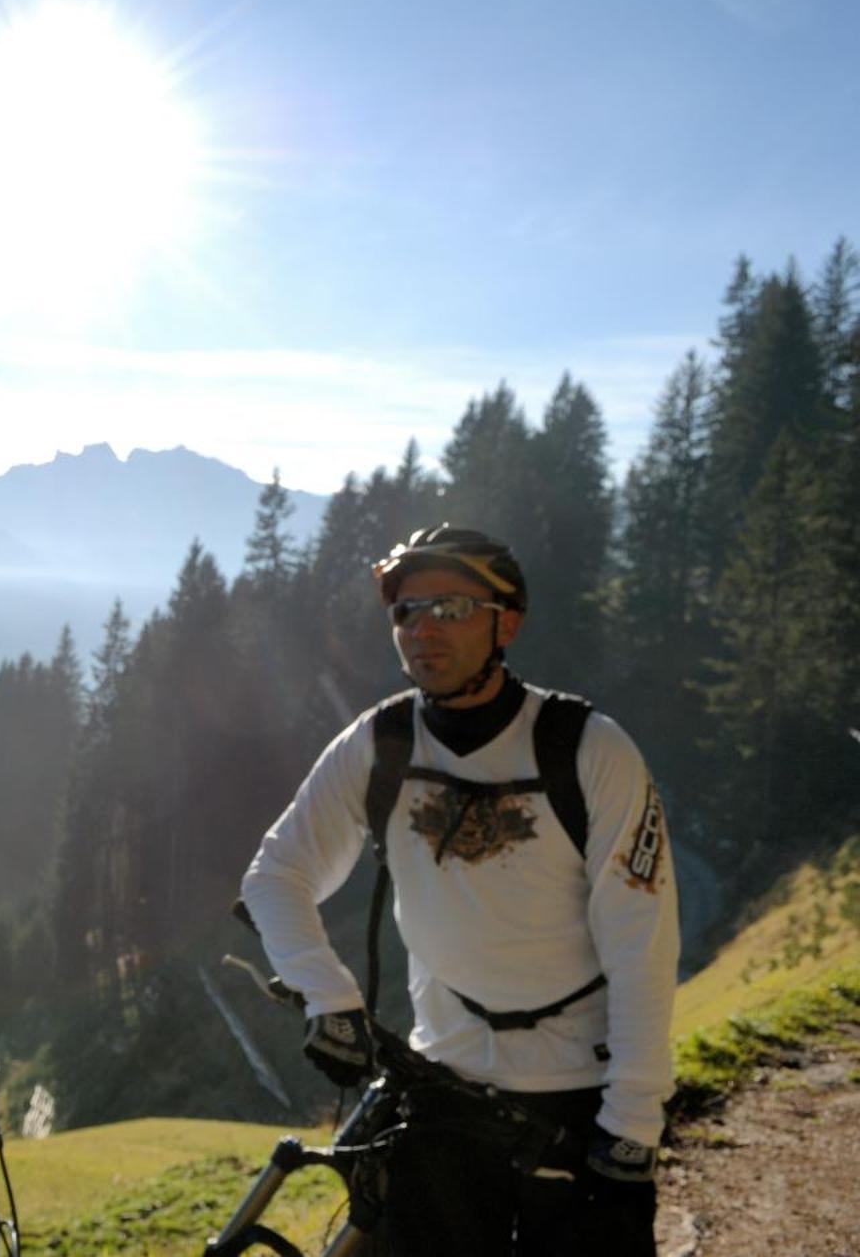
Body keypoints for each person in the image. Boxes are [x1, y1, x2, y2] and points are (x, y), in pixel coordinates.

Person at [238, 524, 677, 1256]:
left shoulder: (588, 749)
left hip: (582, 1096)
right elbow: (275, 876)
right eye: (405, 612)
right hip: (437, 1087)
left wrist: (633, 1120)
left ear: (507, 622)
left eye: (450, 608)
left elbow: (642, 945)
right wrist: (329, 996)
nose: (421, 630)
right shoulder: (379, 744)